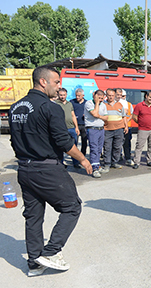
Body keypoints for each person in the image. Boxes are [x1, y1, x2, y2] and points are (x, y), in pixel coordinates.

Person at [8, 66, 92, 276]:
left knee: (33, 216)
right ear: (43, 82)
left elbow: (13, 140)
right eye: (56, 82)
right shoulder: (50, 107)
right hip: (47, 169)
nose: (59, 87)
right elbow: (63, 141)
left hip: (25, 169)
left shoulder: (16, 107)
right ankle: (51, 252)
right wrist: (83, 159)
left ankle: (34, 264)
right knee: (72, 207)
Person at [85, 90, 109, 178]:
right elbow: (94, 113)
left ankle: (97, 165)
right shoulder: (89, 103)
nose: (101, 99)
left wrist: (99, 116)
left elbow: (106, 117)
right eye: (99, 98)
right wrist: (96, 103)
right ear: (94, 96)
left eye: (102, 98)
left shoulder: (103, 105)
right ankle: (94, 168)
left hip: (101, 129)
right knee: (94, 148)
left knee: (99, 149)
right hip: (92, 129)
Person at [102, 88, 127, 171]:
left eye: (112, 95)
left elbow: (124, 117)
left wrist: (126, 126)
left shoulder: (119, 104)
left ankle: (114, 162)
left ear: (115, 96)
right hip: (107, 129)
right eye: (109, 95)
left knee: (117, 147)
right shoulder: (103, 105)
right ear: (106, 96)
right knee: (107, 147)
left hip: (119, 129)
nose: (111, 97)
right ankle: (107, 163)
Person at [132, 91, 151, 169]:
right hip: (143, 129)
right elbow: (134, 116)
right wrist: (141, 123)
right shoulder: (139, 105)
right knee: (139, 146)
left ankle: (149, 161)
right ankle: (136, 162)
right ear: (146, 96)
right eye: (150, 97)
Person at [56, 88, 79, 167]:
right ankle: (61, 163)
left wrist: (76, 127)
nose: (62, 97)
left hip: (71, 128)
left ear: (66, 95)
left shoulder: (69, 104)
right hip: (61, 129)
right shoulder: (55, 104)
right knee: (61, 147)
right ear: (58, 95)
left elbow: (73, 115)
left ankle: (75, 163)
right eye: (61, 95)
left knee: (74, 146)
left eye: (64, 95)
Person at [70, 88, 88, 167]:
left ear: (83, 96)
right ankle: (75, 160)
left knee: (84, 142)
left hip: (84, 125)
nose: (77, 97)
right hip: (75, 125)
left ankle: (82, 157)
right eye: (76, 95)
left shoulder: (87, 103)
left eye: (79, 96)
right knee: (75, 143)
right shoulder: (72, 102)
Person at [117, 89, 135, 165]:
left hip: (128, 126)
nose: (122, 97)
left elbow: (132, 114)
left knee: (127, 143)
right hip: (119, 126)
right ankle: (119, 156)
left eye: (123, 96)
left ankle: (128, 157)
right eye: (121, 96)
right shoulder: (116, 104)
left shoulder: (129, 104)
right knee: (118, 143)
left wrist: (127, 121)